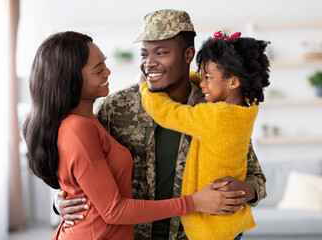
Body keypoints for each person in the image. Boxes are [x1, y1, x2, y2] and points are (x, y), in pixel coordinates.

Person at [55, 9, 267, 240]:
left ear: (188, 55)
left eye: (161, 53)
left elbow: (256, 177)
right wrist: (62, 201)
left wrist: (243, 191)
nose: (150, 63)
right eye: (144, 54)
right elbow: (83, 167)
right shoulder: (116, 107)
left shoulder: (215, 109)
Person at [139, 31, 270, 239]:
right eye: (201, 76)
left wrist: (145, 89)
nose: (202, 83)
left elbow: (168, 113)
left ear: (233, 82)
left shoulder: (216, 116)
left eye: (207, 78)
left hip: (210, 227)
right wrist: (191, 77)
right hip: (229, 225)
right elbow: (213, 81)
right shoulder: (244, 108)